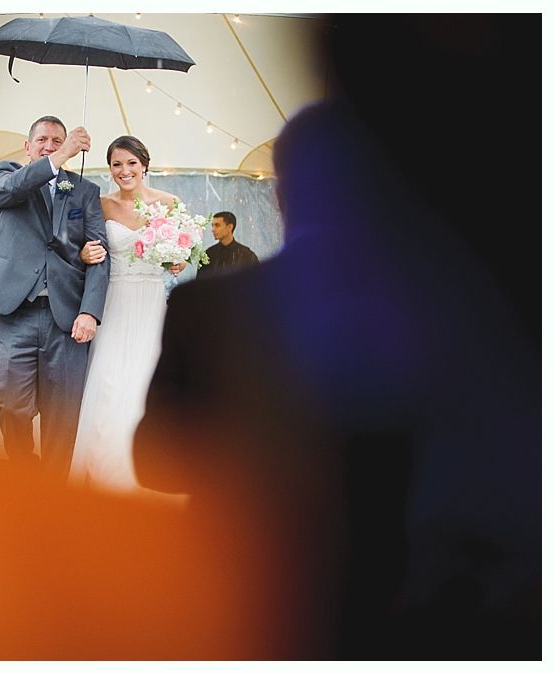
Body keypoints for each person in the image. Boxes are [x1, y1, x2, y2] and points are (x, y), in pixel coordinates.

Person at [132, 99, 540, 658]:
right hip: (419, 624)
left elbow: (156, 460)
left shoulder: (208, 308)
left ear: (278, 197)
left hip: (247, 604)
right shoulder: (470, 310)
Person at [0, 115, 109, 477]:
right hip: (17, 313)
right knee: (12, 404)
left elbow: (99, 255)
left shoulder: (85, 191)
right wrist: (61, 155)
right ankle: (23, 472)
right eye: (43, 140)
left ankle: (52, 492)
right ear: (28, 145)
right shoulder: (8, 177)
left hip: (65, 317)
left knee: (63, 413)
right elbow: (8, 190)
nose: (50, 145)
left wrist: (91, 311)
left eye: (57, 140)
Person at [68, 135, 182, 494]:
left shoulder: (170, 203)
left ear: (144, 165)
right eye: (117, 164)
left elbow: (181, 252)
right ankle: (104, 469)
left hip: (151, 302)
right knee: (109, 381)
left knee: (147, 380)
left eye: (131, 163)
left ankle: (148, 465)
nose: (124, 171)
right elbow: (78, 248)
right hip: (114, 300)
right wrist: (84, 254)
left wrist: (178, 259)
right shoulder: (99, 204)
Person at [199, 211, 258, 276]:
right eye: (212, 225)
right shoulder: (208, 255)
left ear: (230, 227)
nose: (213, 229)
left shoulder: (247, 256)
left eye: (217, 225)